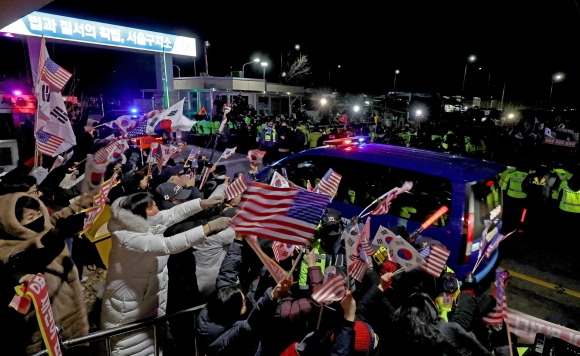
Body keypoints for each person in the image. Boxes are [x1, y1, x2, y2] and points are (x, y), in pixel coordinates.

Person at [100, 192, 232, 356]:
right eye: (151, 207)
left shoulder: (141, 223)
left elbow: (173, 213)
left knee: (152, 343)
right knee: (129, 347)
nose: (157, 207)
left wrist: (202, 203)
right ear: (140, 214)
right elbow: (167, 245)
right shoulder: (128, 237)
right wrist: (208, 228)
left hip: (146, 300)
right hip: (128, 308)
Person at [0, 194, 89, 355]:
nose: (38, 219)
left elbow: (48, 236)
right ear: (13, 224)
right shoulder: (7, 251)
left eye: (39, 213)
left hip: (73, 324)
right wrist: (60, 232)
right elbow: (35, 249)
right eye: (30, 216)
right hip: (44, 335)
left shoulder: (48, 233)